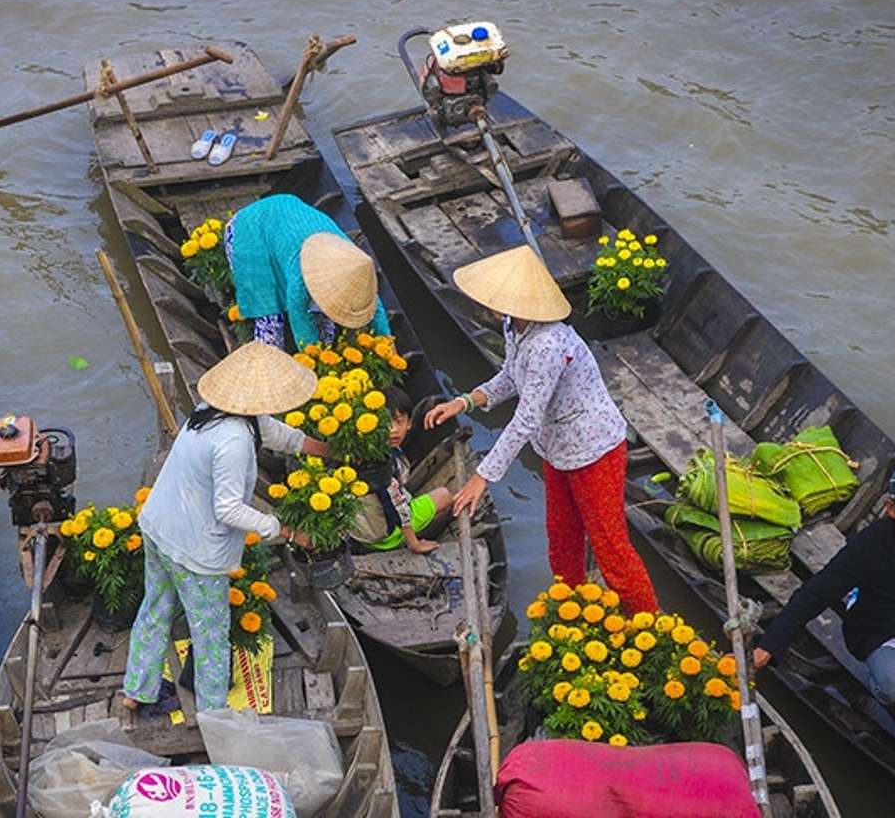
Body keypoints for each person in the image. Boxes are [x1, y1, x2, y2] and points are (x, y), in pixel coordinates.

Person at [422, 245, 659, 613]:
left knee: (610, 546)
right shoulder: (514, 326)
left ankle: (648, 622)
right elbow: (510, 378)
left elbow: (527, 417)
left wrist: (482, 476)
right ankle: (572, 611)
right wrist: (466, 401)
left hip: (595, 449)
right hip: (557, 447)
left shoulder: (548, 343)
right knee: (562, 539)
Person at [122, 342, 325, 711]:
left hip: (158, 526)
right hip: (193, 550)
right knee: (211, 634)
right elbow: (228, 509)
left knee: (156, 607)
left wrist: (326, 449)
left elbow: (279, 435)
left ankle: (136, 690)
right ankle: (214, 714)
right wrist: (286, 531)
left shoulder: (211, 412)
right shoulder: (233, 441)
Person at [754, 462, 895, 711]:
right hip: (884, 627)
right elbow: (815, 593)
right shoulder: (867, 547)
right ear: (892, 509)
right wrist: (769, 645)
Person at [224, 194, 390, 350]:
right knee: (270, 322)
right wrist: (314, 360)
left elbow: (374, 308)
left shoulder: (353, 264)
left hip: (287, 220)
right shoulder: (301, 273)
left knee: (326, 323)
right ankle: (264, 372)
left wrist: (387, 345)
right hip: (250, 232)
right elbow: (300, 317)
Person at [350, 386, 452, 554]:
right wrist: (415, 544)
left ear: (410, 423)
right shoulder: (381, 464)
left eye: (399, 421)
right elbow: (397, 507)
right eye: (386, 423)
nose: (393, 430)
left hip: (360, 532)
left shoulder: (364, 449)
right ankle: (406, 541)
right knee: (445, 495)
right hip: (384, 537)